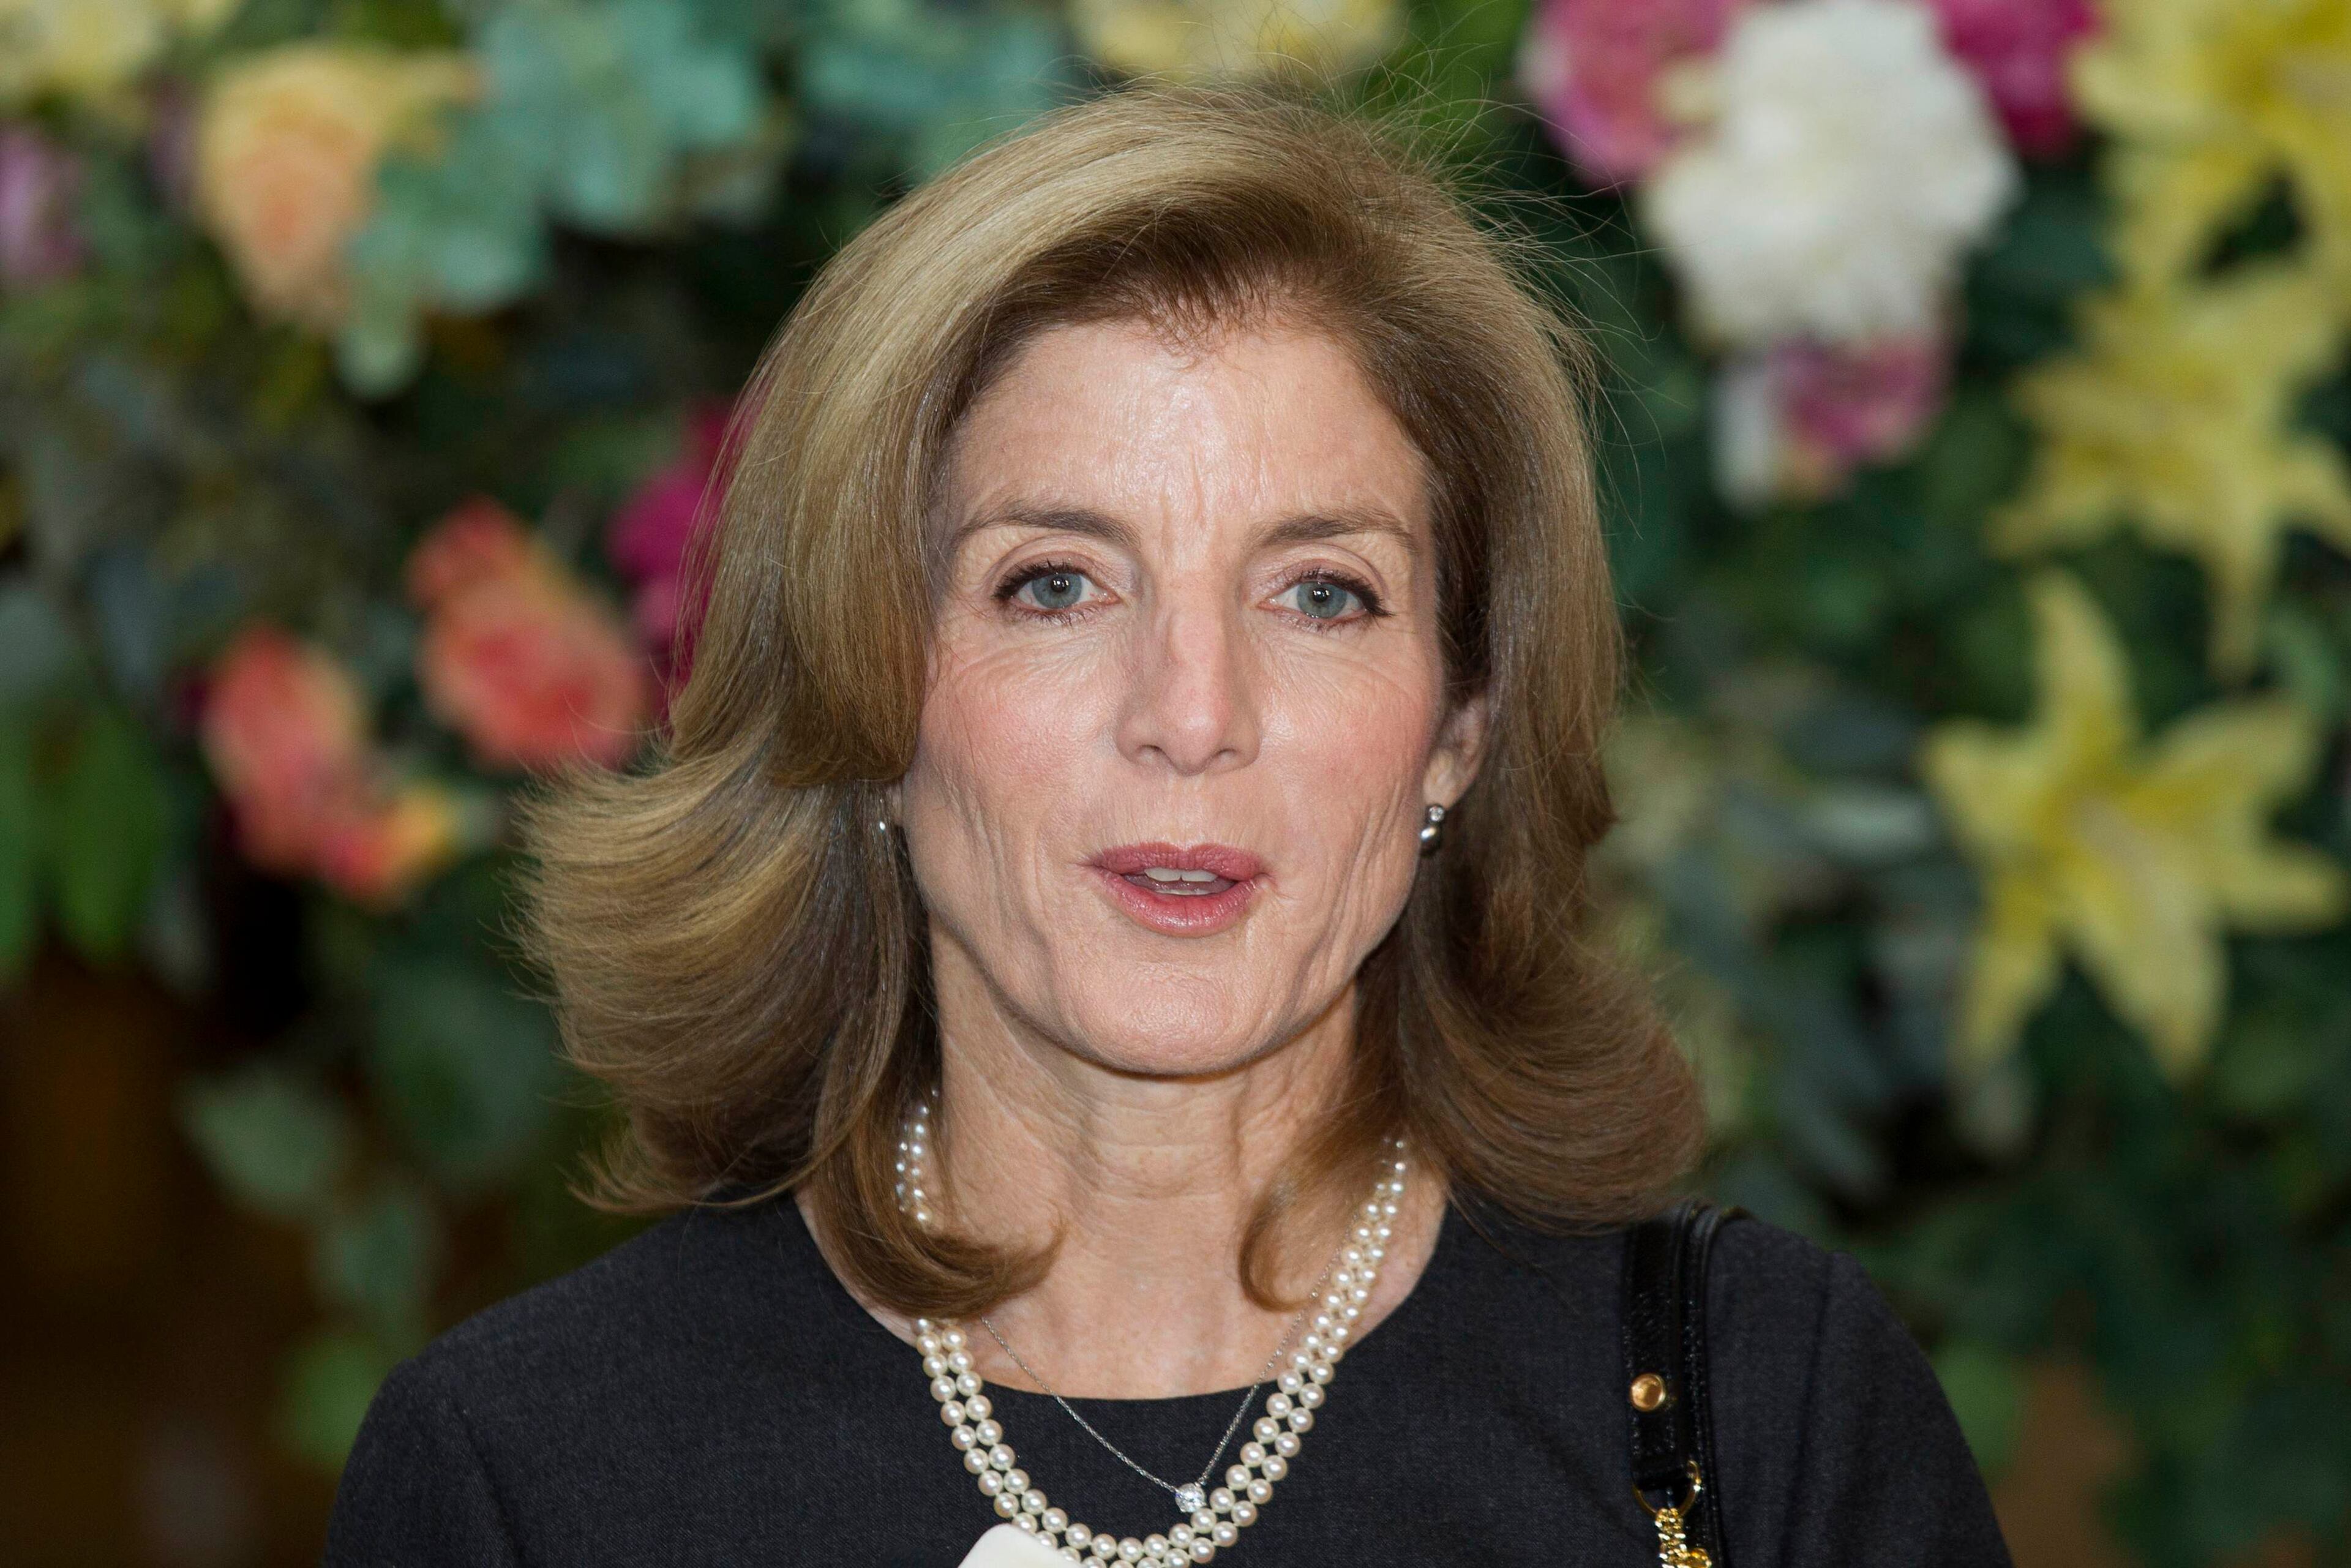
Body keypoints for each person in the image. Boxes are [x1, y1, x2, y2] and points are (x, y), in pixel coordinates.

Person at [323, 75, 2012, 1567]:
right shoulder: (535, 1481)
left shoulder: (1758, 1411)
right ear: (866, 693)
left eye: (1324, 594)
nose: (1191, 714)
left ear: (1460, 725)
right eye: (1054, 584)